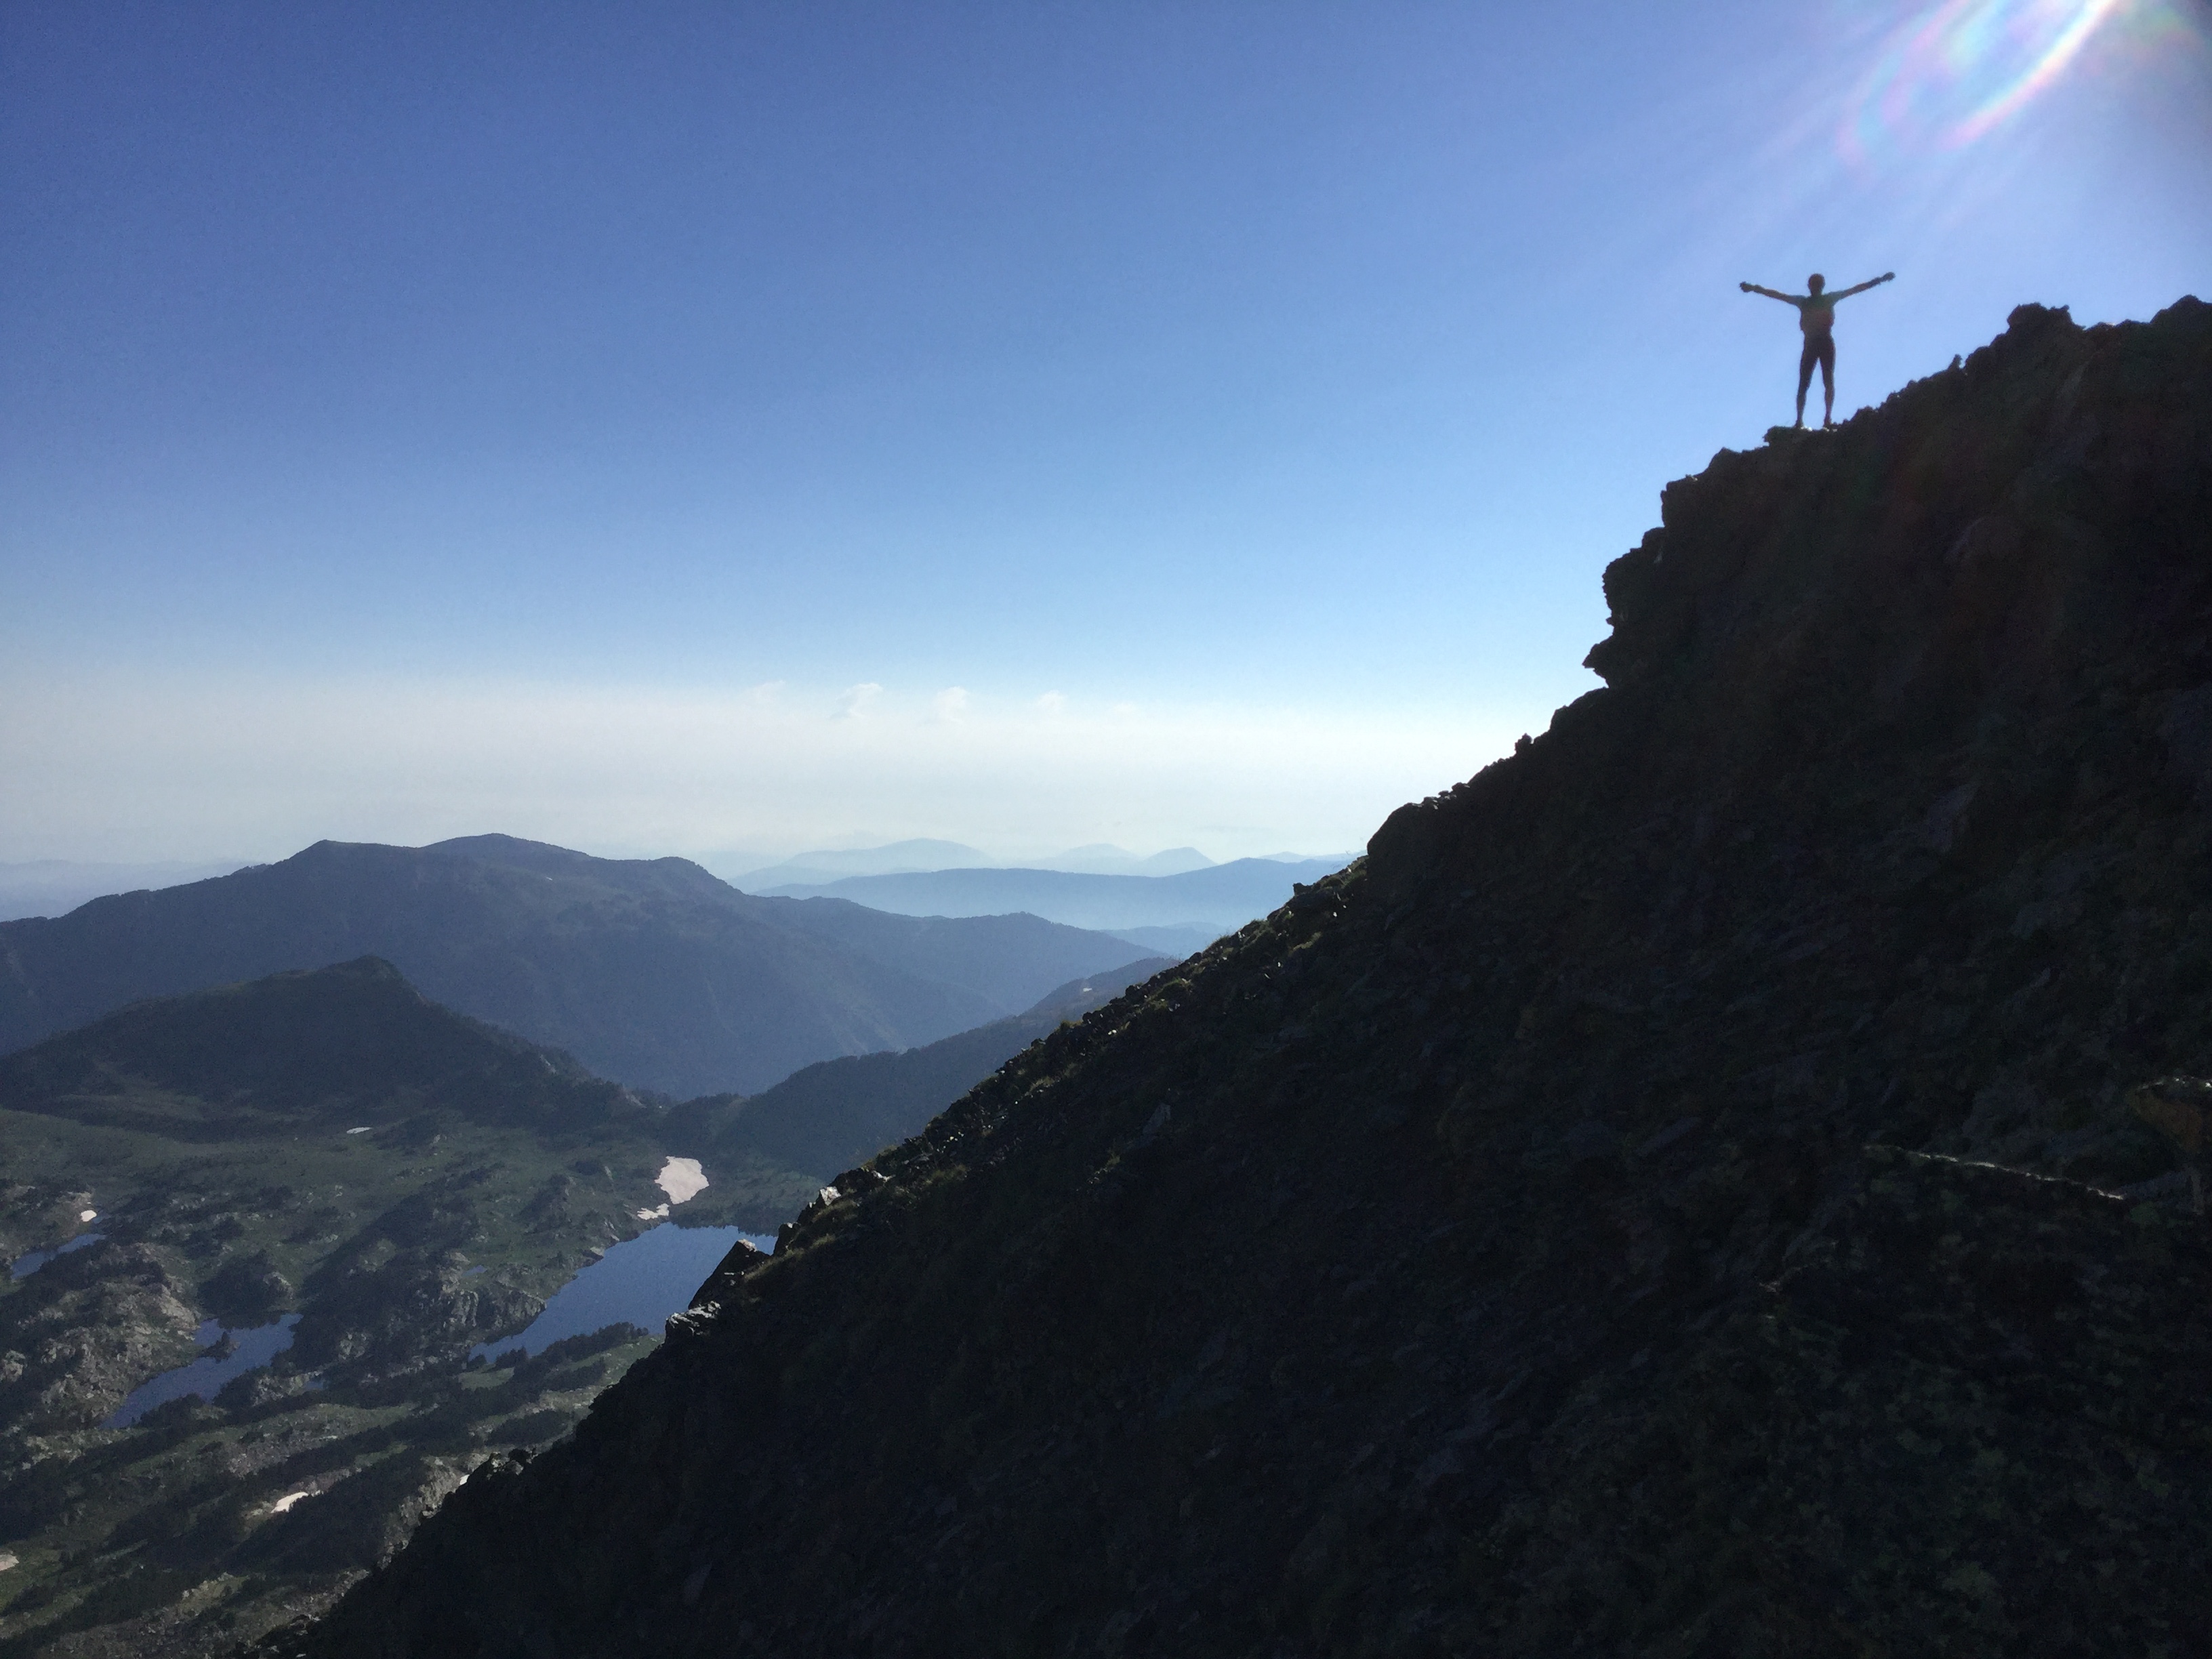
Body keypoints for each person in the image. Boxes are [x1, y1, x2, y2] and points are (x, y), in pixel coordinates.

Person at [1740, 271, 1894, 428]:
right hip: (1816, 343)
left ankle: (1822, 419)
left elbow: (1855, 290)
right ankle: (1804, 420)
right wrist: (1754, 288)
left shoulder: (1816, 300)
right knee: (1808, 382)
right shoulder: (1811, 301)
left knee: (1821, 381)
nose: (1814, 287)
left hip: (1819, 342)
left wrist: (1879, 280)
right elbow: (1778, 296)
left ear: (1816, 286)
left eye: (1816, 284)